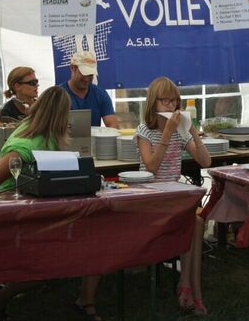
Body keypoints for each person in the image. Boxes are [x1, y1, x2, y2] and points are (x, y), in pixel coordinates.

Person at [0, 86, 105, 321]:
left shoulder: (44, 136)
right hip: (16, 215)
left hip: (41, 208)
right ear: (61, 116)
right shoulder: (26, 146)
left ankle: (86, 299)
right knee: (49, 266)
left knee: (95, 236)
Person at [134, 77, 211, 315]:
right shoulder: (145, 131)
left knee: (197, 222)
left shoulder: (179, 130)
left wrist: (193, 132)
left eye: (174, 101)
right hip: (150, 198)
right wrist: (166, 134)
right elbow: (151, 167)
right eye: (165, 100)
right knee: (193, 223)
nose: (170, 105)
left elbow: (205, 162)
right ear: (153, 103)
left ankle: (188, 285)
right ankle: (190, 289)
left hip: (174, 196)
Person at [59, 51, 119, 128]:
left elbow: (113, 124)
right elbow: (49, 126)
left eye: (90, 75)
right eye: (84, 74)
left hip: (93, 136)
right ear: (73, 68)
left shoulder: (100, 94)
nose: (87, 79)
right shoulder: (57, 95)